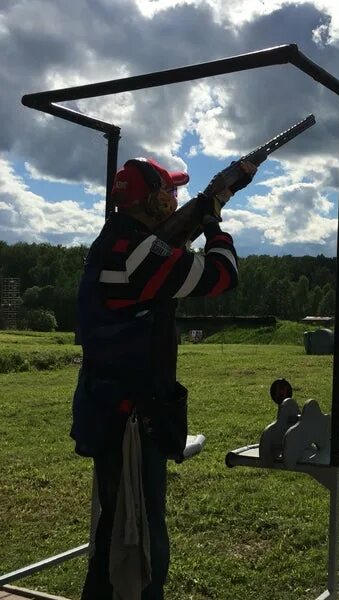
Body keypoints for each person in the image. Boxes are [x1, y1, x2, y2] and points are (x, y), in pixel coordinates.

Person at [70, 156, 256, 599]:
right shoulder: (139, 254)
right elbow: (223, 275)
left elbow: (163, 247)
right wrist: (214, 224)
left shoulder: (120, 241)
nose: (174, 199)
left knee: (116, 528)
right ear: (151, 201)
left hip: (111, 407)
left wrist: (217, 197)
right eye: (168, 192)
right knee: (145, 543)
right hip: (133, 419)